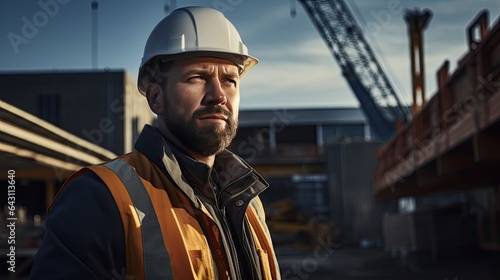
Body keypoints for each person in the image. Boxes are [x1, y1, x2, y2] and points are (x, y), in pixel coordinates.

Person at [30, 6, 280, 280]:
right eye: (197, 77)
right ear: (155, 98)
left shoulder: (250, 201)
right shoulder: (100, 196)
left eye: (230, 80)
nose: (218, 95)